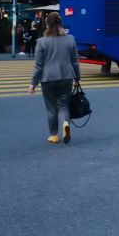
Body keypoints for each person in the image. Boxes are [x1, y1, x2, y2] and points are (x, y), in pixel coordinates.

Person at [28, 12, 81, 144]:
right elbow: (75, 61)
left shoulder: (41, 42)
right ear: (61, 23)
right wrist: (77, 78)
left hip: (48, 79)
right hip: (66, 77)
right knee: (63, 105)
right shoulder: (70, 39)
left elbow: (38, 65)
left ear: (47, 24)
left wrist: (33, 83)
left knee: (51, 107)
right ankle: (65, 124)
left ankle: (54, 135)